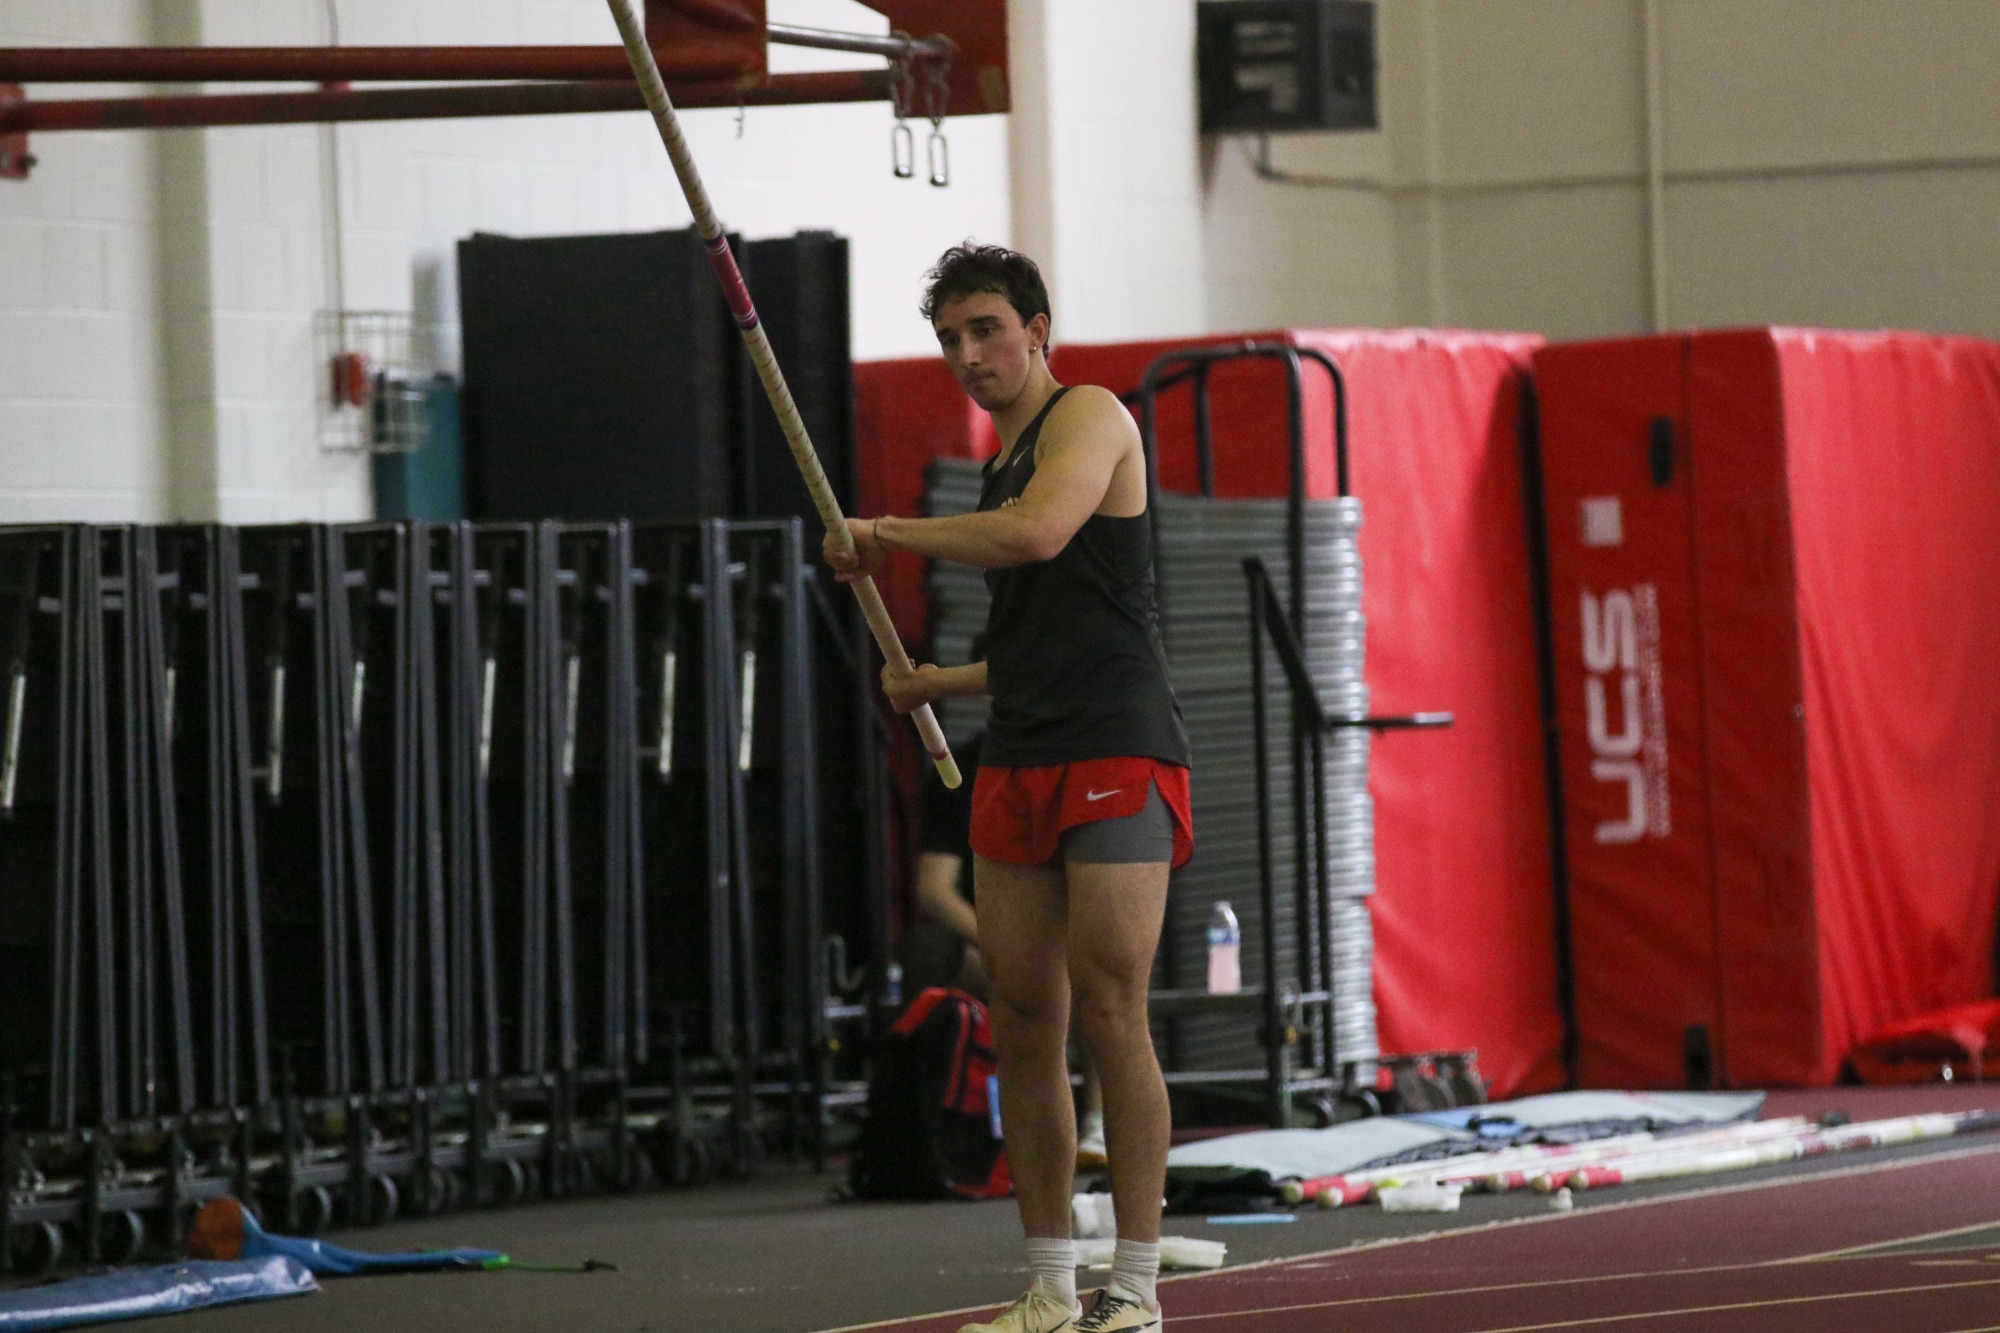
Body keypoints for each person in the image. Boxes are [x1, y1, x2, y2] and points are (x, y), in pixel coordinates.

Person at [827, 243, 1192, 1333]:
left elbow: (1034, 537)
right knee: (1025, 1015)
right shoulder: (998, 462)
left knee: (1111, 1007)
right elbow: (1042, 633)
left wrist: (882, 533)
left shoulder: (1089, 418)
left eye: (985, 328)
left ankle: (1133, 1287)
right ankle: (1047, 1285)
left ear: (1038, 327)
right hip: (1021, 747)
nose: (967, 354)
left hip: (1115, 746)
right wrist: (938, 680)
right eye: (948, 339)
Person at [900, 688, 1109, 1171]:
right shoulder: (960, 771)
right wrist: (1003, 941)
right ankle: (968, 1123)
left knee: (1099, 976)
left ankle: (1098, 1124)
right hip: (992, 944)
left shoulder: (1081, 767)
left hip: (1064, 939)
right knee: (932, 952)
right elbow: (934, 889)